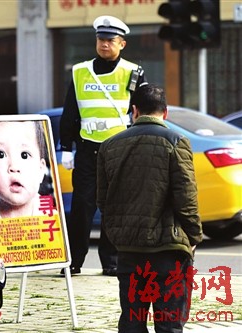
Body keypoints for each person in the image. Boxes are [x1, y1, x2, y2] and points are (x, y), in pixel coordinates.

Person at [97, 84, 202, 333]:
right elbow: (186, 199)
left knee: (132, 322)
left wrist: (118, 235)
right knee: (169, 324)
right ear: (165, 113)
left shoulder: (109, 146)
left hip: (129, 251)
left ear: (134, 110)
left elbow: (103, 201)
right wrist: (194, 236)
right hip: (169, 251)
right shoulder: (177, 142)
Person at [59, 15, 147, 276]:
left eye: (110, 40)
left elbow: (140, 111)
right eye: (101, 39)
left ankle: (111, 263)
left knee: (115, 207)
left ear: (122, 44)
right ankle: (73, 262)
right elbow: (70, 112)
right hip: (87, 150)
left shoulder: (133, 72)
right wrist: (65, 147)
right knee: (82, 207)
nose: (104, 44)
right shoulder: (80, 71)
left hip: (120, 150)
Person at [0, 121, 49, 219]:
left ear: (41, 169)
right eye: (0, 154)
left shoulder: (49, 215)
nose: (14, 167)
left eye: (24, 155)